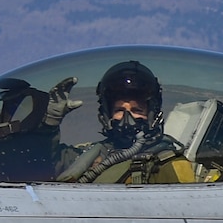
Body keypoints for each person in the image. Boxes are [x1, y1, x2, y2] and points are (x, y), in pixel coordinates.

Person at [57, 60, 195, 184]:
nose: (127, 119)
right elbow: (46, 162)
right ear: (106, 114)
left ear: (152, 114)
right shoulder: (90, 155)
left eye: (137, 110)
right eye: (119, 110)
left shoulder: (169, 165)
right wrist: (47, 126)